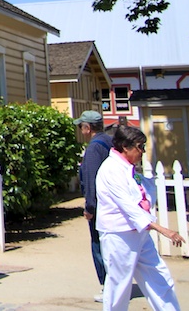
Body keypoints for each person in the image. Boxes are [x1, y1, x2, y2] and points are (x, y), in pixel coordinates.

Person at [95, 124, 185, 311]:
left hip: (139, 233)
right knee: (119, 286)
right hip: (119, 235)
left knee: (159, 277)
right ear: (126, 147)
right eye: (140, 147)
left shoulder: (128, 168)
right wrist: (162, 229)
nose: (143, 151)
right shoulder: (111, 169)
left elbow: (142, 193)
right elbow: (129, 206)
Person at [76, 109, 113, 302]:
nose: (81, 130)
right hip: (111, 203)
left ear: (88, 127)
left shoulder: (93, 149)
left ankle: (107, 285)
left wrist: (90, 207)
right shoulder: (109, 142)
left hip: (100, 206)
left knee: (98, 245)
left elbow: (91, 180)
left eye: (81, 126)